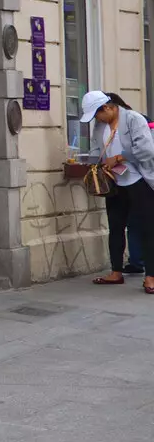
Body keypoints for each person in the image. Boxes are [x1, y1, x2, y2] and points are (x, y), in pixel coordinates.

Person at [82, 91, 154, 293]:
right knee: (115, 226)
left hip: (139, 180)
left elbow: (147, 150)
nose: (96, 119)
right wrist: (96, 163)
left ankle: (150, 276)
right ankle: (116, 271)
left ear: (107, 108)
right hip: (115, 182)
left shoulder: (133, 119)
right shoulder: (100, 125)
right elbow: (96, 148)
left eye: (97, 114)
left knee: (147, 228)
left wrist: (119, 158)